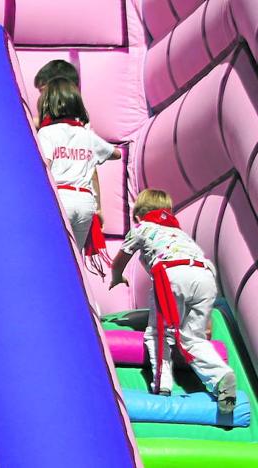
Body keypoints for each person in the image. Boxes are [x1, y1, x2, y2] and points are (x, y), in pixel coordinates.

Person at [109, 189, 236, 413]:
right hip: (205, 274)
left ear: (139, 213)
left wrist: (117, 277)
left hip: (171, 274)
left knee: (159, 333)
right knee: (193, 338)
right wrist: (206, 324)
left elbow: (119, 260)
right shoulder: (179, 233)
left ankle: (162, 385)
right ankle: (221, 376)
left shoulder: (142, 227)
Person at [36, 78, 121, 269]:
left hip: (60, 196)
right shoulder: (86, 135)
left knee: (52, 254)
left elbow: (45, 165)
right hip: (85, 201)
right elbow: (116, 154)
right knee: (74, 260)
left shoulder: (48, 133)